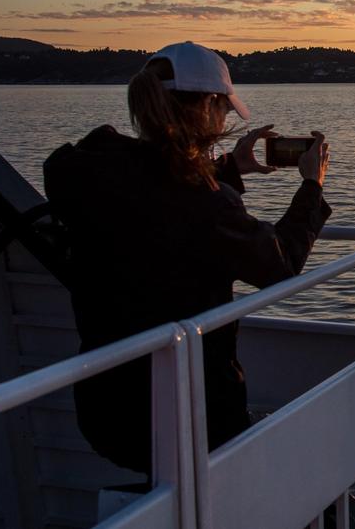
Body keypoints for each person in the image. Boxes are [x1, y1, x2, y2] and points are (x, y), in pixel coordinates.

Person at [43, 41, 331, 474]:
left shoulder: (90, 172)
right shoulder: (207, 206)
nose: (225, 119)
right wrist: (311, 187)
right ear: (210, 106)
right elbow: (281, 263)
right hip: (194, 414)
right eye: (224, 109)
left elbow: (155, 194)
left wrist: (227, 170)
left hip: (108, 411)